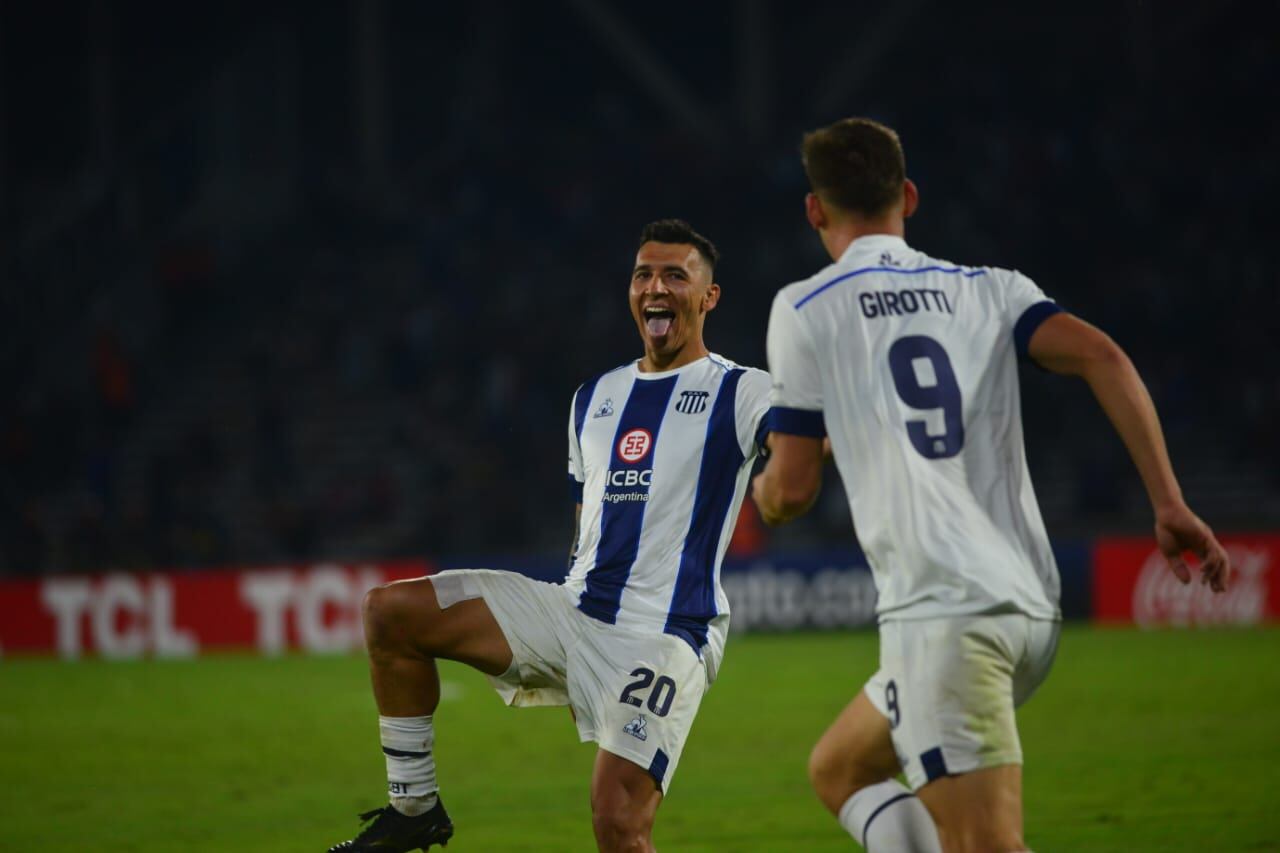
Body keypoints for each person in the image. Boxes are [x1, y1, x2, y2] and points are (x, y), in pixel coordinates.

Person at [751, 117, 1232, 853]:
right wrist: (1168, 501)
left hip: (946, 616)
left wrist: (757, 489)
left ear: (815, 210)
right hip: (1029, 610)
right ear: (907, 196)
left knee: (988, 845)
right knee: (842, 768)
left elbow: (789, 491)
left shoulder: (807, 306)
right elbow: (1103, 355)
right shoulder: (991, 290)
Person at [329, 219, 772, 852]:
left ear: (709, 297)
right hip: (574, 611)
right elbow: (583, 521)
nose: (656, 286)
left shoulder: (741, 389)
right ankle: (414, 808)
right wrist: (574, 661)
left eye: (676, 275)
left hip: (665, 631)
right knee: (391, 613)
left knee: (618, 824)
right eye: (644, 273)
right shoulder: (593, 398)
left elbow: (796, 437)